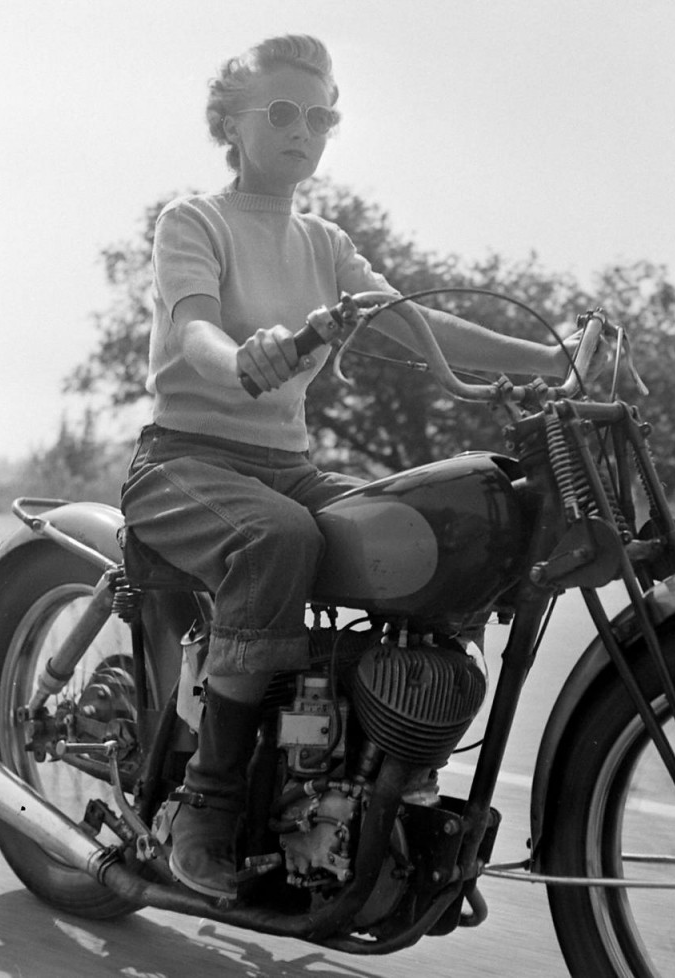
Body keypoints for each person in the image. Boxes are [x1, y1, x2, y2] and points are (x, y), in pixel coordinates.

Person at [121, 33, 574, 902]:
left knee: (442, 540)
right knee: (278, 539)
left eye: (321, 114)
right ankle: (206, 805)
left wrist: (556, 361)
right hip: (184, 460)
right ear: (231, 122)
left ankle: (390, 782)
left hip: (286, 463)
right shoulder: (195, 221)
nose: (305, 129)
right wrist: (241, 356)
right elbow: (194, 330)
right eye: (283, 111)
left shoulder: (327, 242)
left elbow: (423, 328)